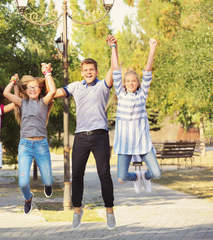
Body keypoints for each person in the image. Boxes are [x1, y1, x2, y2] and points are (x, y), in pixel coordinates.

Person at [53, 35, 117, 230]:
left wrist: (114, 47)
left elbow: (115, 69)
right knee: (77, 175)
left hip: (99, 136)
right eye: (85, 70)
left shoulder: (103, 86)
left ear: (96, 71)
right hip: (80, 137)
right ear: (81, 72)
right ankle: (77, 210)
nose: (88, 73)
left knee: (104, 174)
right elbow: (54, 94)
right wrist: (47, 75)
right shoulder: (75, 86)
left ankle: (109, 211)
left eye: (91, 70)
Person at [109, 38, 161, 194]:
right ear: (124, 83)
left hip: (142, 142)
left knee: (156, 174)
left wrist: (152, 49)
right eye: (128, 81)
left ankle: (144, 175)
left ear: (138, 83)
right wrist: (113, 47)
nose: (131, 83)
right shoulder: (121, 93)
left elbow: (147, 71)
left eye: (134, 81)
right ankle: (137, 176)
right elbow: (116, 69)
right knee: (122, 177)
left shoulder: (142, 95)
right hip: (125, 144)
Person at [3, 63, 56, 214]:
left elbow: (52, 90)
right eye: (30, 87)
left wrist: (47, 73)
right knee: (23, 182)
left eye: (35, 87)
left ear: (40, 90)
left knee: (47, 180)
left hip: (41, 145)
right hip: (25, 145)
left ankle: (48, 183)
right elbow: (6, 93)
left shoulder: (43, 102)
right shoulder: (22, 102)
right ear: (25, 91)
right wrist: (13, 81)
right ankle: (28, 198)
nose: (33, 89)